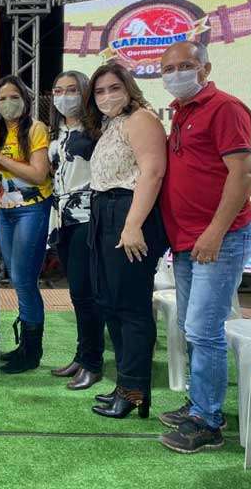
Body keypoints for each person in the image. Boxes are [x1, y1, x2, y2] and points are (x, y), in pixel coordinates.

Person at [157, 41, 251, 454]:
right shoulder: (181, 113)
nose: (176, 73)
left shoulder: (225, 108)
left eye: (186, 65)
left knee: (203, 329)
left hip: (220, 238)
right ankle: (200, 403)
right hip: (186, 242)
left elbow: (242, 174)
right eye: (168, 67)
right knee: (190, 328)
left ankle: (209, 422)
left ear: (205, 68)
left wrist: (214, 232)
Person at [86, 63, 168, 419]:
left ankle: (135, 393)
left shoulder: (141, 119)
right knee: (111, 304)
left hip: (130, 214)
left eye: (113, 88)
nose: (106, 96)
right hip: (106, 212)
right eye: (100, 91)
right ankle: (126, 386)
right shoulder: (111, 124)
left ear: (128, 87)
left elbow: (152, 172)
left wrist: (133, 225)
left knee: (132, 308)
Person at [0, 75, 52, 375]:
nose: (8, 103)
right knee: (15, 276)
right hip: (4, 212)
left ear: (25, 98)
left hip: (31, 209)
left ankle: (32, 352)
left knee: (23, 279)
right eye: (2, 99)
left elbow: (37, 174)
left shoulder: (35, 129)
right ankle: (24, 346)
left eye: (14, 97)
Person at [47, 71, 105, 390]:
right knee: (76, 293)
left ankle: (93, 363)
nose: (64, 95)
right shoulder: (59, 131)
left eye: (71, 89)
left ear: (84, 93)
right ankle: (81, 356)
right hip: (62, 220)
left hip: (87, 217)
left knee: (87, 293)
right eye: (58, 90)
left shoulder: (97, 128)